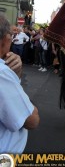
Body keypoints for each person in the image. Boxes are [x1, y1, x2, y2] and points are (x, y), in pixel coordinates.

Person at [0, 13, 40, 153]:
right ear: (5, 40)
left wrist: (15, 73)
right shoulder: (2, 73)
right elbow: (32, 120)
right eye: (11, 35)